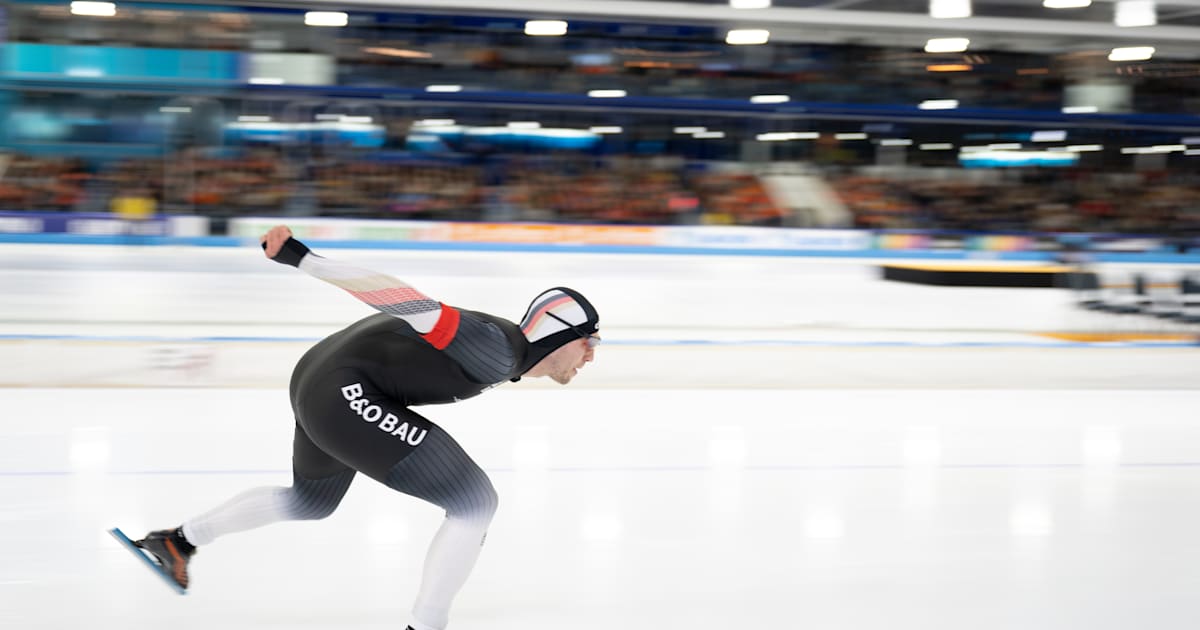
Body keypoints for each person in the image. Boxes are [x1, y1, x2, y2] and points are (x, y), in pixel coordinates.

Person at [131, 225, 600, 630]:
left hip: (321, 381)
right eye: (589, 342)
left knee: (309, 501)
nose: (591, 356)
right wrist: (304, 259)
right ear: (560, 337)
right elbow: (404, 300)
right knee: (475, 502)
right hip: (343, 390)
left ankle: (177, 540)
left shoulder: (504, 349)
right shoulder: (496, 349)